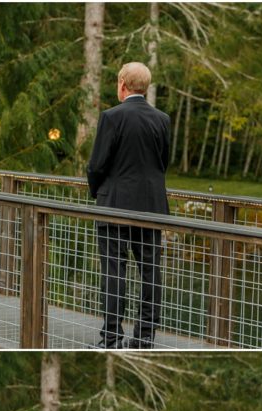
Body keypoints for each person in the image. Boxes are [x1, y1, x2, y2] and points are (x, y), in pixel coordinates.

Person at [87, 62, 171, 349]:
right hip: (152, 207)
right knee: (150, 270)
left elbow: (97, 164)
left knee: (114, 271)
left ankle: (111, 338)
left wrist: (97, 191)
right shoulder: (162, 119)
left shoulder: (112, 117)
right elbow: (162, 163)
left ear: (122, 84)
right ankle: (145, 337)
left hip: (115, 207)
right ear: (144, 87)